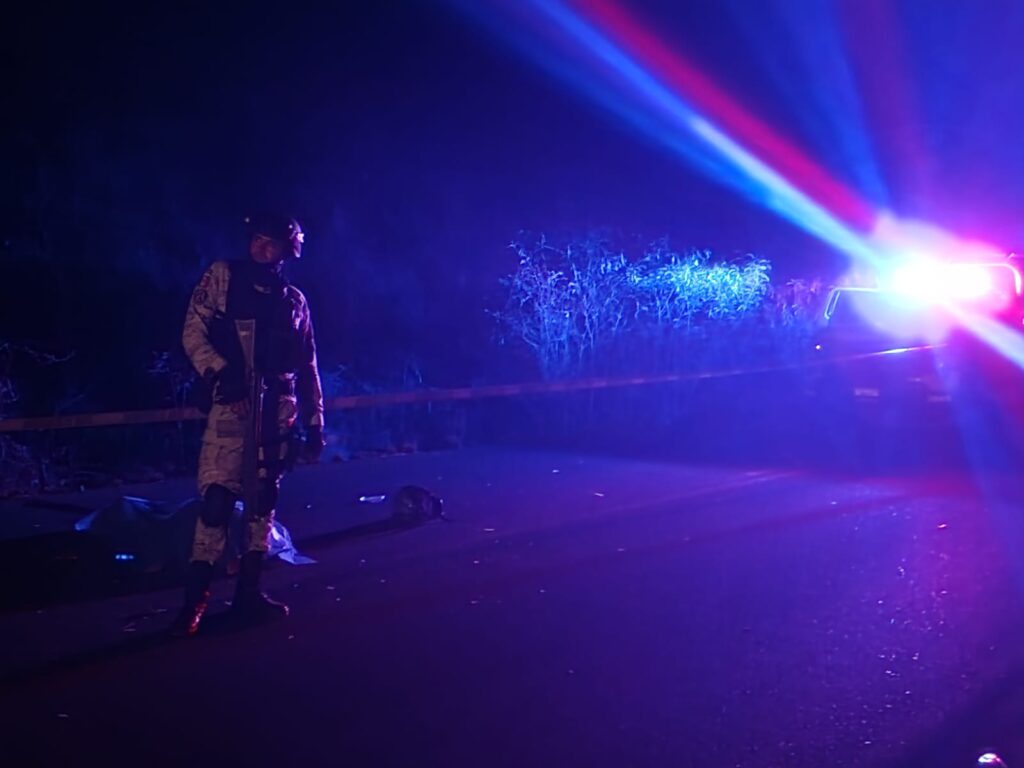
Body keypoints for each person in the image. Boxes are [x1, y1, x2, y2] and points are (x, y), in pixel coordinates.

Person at [171, 214, 325, 636]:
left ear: (287, 250)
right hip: (232, 407)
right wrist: (220, 371)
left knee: (263, 502)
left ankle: (249, 595)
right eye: (256, 240)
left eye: (270, 243)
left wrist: (314, 422)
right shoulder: (223, 277)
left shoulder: (294, 301)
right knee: (217, 501)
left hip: (276, 412)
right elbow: (192, 332)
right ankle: (194, 604)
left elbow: (308, 364)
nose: (260, 248)